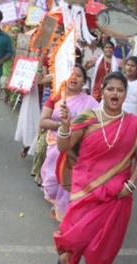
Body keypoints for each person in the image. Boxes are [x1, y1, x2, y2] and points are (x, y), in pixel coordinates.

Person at [53, 72, 137, 264]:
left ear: (126, 94)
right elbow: (65, 146)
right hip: (86, 188)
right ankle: (68, 252)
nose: (115, 93)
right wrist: (65, 126)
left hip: (118, 193)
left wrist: (131, 182)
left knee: (106, 245)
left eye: (120, 90)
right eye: (110, 89)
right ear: (102, 91)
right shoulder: (88, 118)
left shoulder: (134, 124)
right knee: (78, 231)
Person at [39, 65, 99, 221]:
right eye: (71, 74)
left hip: (77, 151)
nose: (74, 78)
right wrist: (65, 126)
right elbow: (43, 122)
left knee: (67, 185)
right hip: (55, 146)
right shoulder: (56, 97)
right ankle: (58, 204)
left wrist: (77, 131)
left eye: (78, 75)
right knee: (51, 184)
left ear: (84, 81)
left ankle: (64, 217)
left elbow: (98, 125)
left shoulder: (90, 102)